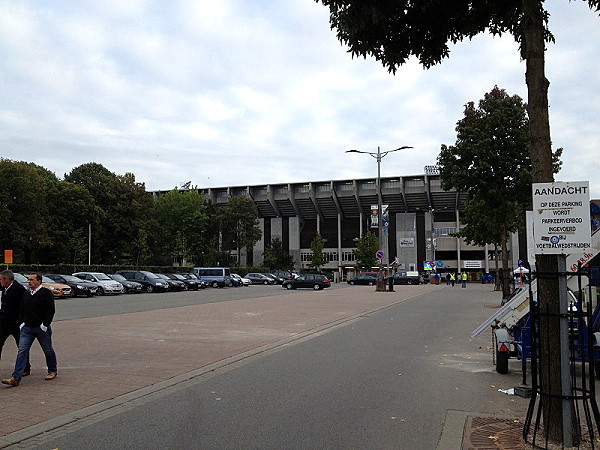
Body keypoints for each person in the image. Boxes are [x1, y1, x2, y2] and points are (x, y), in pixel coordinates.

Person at [2, 273, 57, 387]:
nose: (29, 281)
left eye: (32, 280)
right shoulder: (26, 294)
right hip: (27, 328)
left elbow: (50, 310)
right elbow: (21, 309)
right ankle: (16, 377)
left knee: (47, 350)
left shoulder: (46, 293)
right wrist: (22, 323)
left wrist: (45, 325)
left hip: (41, 328)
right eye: (28, 280)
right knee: (22, 351)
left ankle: (52, 370)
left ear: (39, 281)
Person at [0, 270, 31, 376]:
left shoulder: (19, 290)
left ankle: (26, 367)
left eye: (1, 279)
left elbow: (25, 306)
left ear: (7, 279)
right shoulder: (5, 288)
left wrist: (22, 321)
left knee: (21, 346)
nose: (0, 281)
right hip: (4, 323)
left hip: (16, 323)